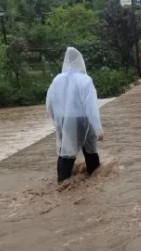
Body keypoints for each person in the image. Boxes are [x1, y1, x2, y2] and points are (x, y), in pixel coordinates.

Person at [46, 47, 104, 183]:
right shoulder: (85, 80)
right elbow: (91, 107)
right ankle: (95, 179)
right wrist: (98, 128)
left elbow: (50, 103)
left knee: (65, 151)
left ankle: (62, 183)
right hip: (83, 119)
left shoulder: (57, 80)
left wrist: (56, 121)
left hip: (63, 120)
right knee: (90, 150)